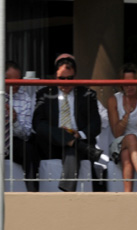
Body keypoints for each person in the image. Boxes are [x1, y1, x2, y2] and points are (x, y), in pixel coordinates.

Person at [32, 53, 104, 192]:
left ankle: (66, 191)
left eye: (70, 78)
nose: (66, 82)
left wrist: (79, 134)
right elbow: (38, 124)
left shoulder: (87, 94)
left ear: (75, 76)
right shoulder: (44, 94)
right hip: (51, 144)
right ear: (55, 76)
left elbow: (96, 124)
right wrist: (60, 134)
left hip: (79, 141)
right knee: (47, 129)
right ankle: (74, 143)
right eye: (61, 78)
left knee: (72, 149)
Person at [0, 60, 37, 192]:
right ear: (2, 79)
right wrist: (0, 121)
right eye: (12, 81)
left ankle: (33, 193)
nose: (16, 85)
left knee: (29, 150)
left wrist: (14, 121)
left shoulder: (25, 98)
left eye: (19, 81)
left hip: (15, 140)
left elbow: (26, 134)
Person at [107, 63, 137, 192]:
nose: (129, 86)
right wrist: (126, 116)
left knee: (127, 153)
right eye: (126, 83)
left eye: (133, 83)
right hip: (119, 143)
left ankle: (127, 194)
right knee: (130, 138)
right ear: (121, 84)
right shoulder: (113, 100)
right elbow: (117, 133)